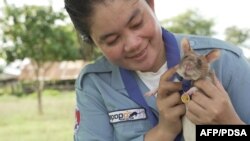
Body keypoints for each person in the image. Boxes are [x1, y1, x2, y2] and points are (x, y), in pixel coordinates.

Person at [64, 0, 250, 141]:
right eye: (112, 40)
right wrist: (163, 131)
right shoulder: (94, 84)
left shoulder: (225, 62)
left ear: (151, 4)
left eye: (136, 23)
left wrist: (230, 125)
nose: (133, 44)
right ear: (93, 41)